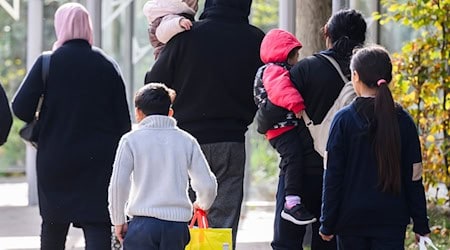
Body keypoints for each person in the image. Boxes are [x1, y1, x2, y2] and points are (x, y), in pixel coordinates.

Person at [145, 0, 265, 247]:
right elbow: (264, 89)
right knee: (222, 224)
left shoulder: (187, 35)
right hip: (231, 140)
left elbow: (153, 82)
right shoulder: (256, 40)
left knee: (180, 217)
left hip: (184, 141)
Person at [12, 3, 131, 249]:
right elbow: (123, 124)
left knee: (54, 226)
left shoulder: (47, 63)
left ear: (60, 26)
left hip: (56, 160)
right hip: (98, 162)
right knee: (98, 224)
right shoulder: (107, 66)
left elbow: (20, 109)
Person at [267, 9, 367, 250]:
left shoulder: (306, 69)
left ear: (327, 34)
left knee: (286, 243)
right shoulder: (369, 74)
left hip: (300, 171)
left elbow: (268, 116)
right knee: (329, 242)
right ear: (362, 39)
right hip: (345, 174)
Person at [319, 45, 431, 249]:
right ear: (388, 78)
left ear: (356, 76)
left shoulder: (343, 120)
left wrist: (327, 222)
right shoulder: (403, 121)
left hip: (350, 222)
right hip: (391, 222)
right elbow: (414, 177)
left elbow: (333, 175)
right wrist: (421, 224)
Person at [108, 83, 217, 249]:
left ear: (138, 113)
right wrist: (202, 204)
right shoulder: (187, 140)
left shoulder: (130, 140)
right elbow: (207, 185)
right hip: (177, 227)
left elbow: (118, 185)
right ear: (170, 112)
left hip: (142, 226)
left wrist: (118, 220)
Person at [254, 28, 316, 225]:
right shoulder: (273, 70)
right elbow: (281, 91)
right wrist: (297, 105)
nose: (297, 60)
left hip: (280, 126)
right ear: (285, 55)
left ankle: (292, 200)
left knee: (293, 157)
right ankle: (291, 202)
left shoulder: (272, 69)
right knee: (293, 157)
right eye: (295, 55)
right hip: (280, 127)